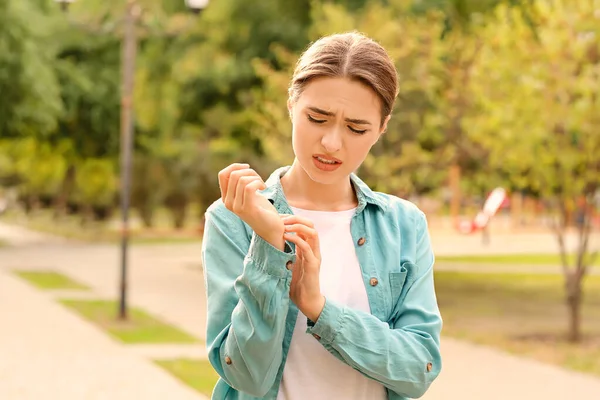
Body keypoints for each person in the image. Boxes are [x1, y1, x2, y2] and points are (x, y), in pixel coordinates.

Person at [201, 31, 442, 400]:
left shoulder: (404, 224)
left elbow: (418, 369)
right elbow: (245, 374)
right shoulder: (233, 217)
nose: (332, 143)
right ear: (291, 105)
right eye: (317, 118)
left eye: (356, 128)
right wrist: (269, 243)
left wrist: (320, 310)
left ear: (381, 128)